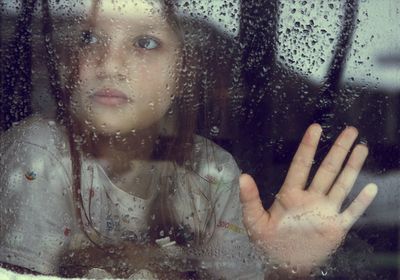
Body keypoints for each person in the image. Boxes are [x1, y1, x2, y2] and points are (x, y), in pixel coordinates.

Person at [0, 0, 378, 279]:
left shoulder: (211, 170)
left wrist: (286, 268)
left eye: (145, 43)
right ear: (66, 61)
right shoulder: (39, 152)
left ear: (183, 72)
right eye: (89, 38)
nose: (110, 63)